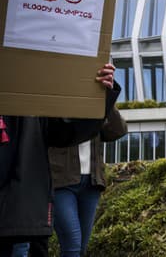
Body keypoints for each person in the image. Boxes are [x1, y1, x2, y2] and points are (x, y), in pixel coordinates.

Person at [0, 63, 119, 257]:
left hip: (81, 186)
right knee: (72, 245)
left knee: (78, 248)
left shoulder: (35, 96)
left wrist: (101, 96)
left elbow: (110, 130)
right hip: (60, 184)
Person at [48, 105, 127, 256]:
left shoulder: (95, 104)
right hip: (61, 182)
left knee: (81, 249)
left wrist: (107, 98)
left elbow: (118, 131)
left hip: (91, 182)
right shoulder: (60, 100)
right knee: (72, 245)